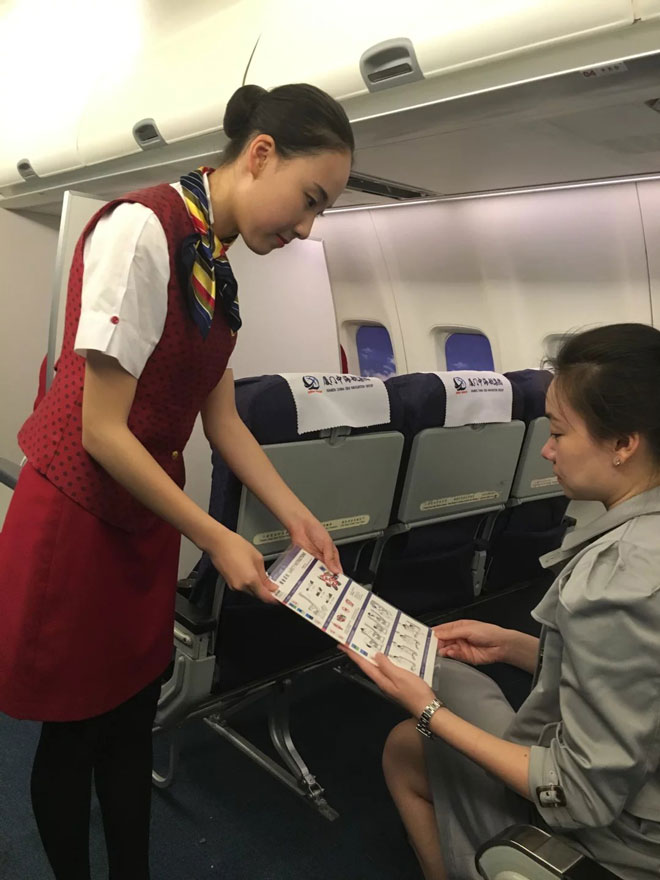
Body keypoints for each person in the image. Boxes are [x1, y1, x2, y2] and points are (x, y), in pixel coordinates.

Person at [0, 83, 353, 879]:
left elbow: (220, 421)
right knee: (73, 732)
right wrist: (218, 537)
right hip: (77, 517)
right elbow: (100, 429)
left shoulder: (216, 267)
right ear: (260, 154)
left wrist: (295, 514)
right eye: (310, 200)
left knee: (131, 721)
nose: (306, 228)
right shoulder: (141, 230)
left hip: (144, 522)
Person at [342, 323, 660, 880]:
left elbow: (579, 795)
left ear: (623, 444)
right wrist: (515, 646)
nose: (546, 449)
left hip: (613, 842)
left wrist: (430, 712)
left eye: (558, 432)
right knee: (454, 677)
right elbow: (639, 679)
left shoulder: (619, 578)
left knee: (409, 742)